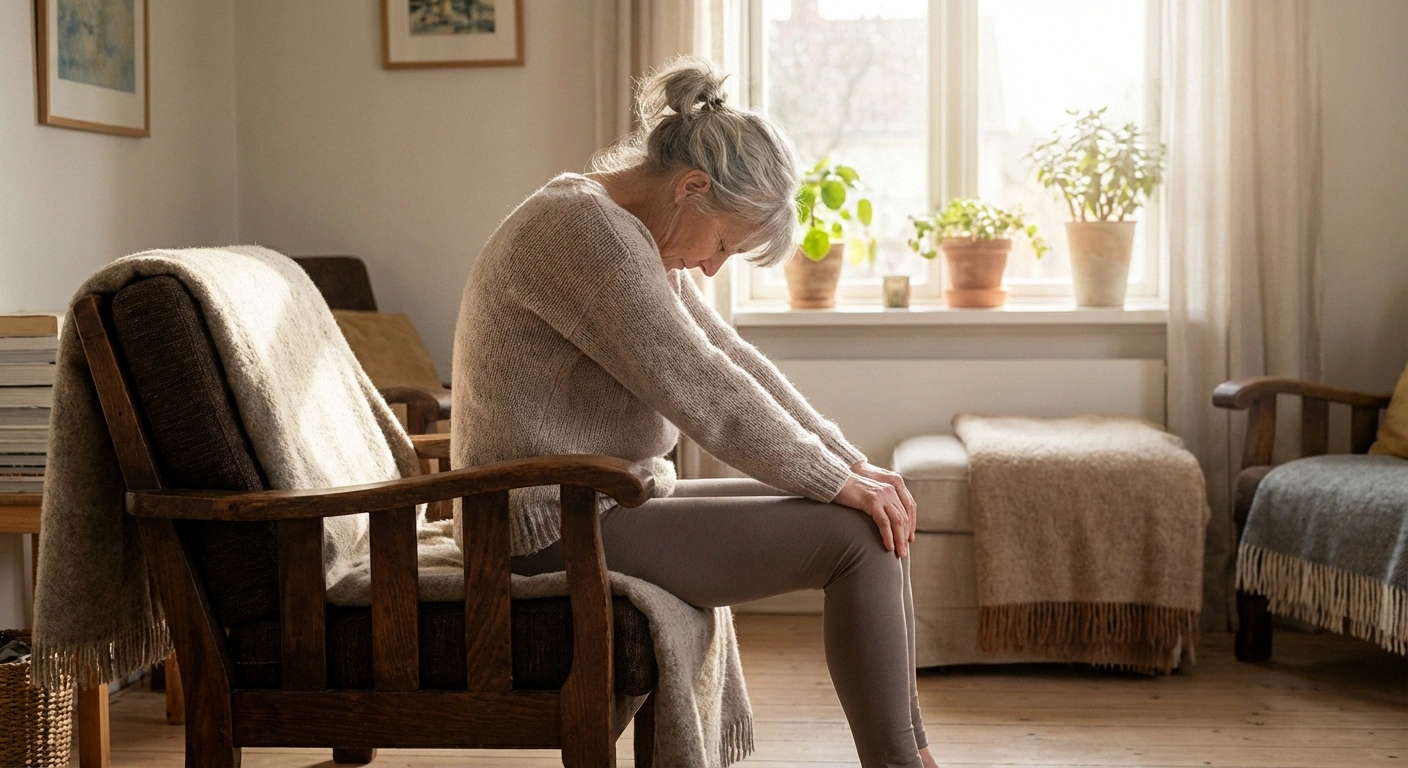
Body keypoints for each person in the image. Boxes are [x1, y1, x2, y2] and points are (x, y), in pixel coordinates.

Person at [452, 56, 935, 768]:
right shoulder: (584, 232)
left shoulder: (621, 228)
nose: (713, 267)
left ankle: (912, 755)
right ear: (692, 188)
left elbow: (730, 358)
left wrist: (851, 465)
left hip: (600, 500)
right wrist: (837, 480)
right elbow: (703, 389)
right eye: (722, 245)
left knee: (872, 511)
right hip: (538, 524)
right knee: (854, 539)